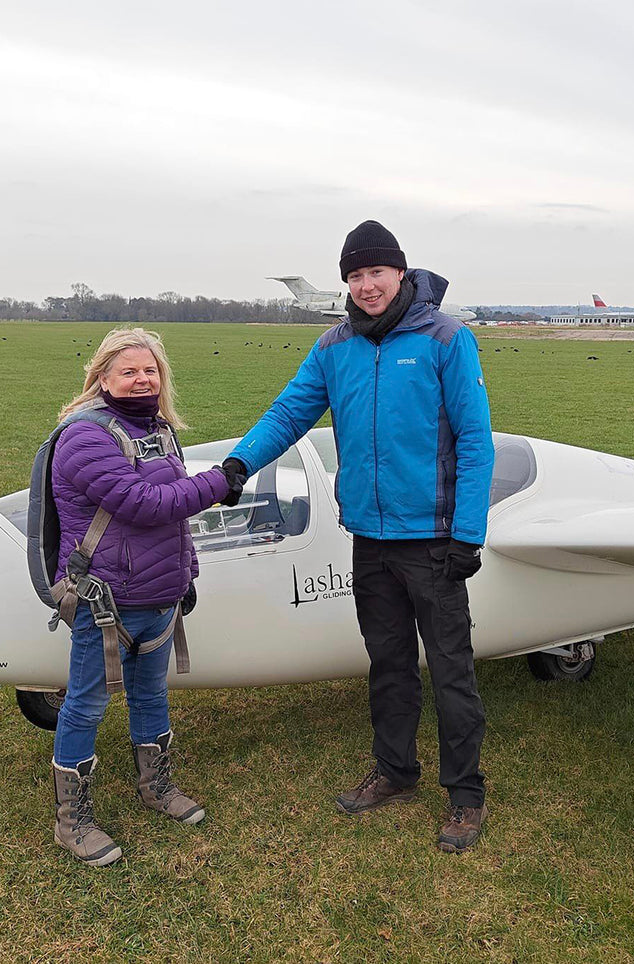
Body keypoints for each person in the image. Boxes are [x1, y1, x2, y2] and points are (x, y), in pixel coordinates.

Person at [222, 220, 495, 852]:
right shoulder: (333, 346)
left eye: (377, 272)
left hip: (433, 540)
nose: (367, 286)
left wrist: (468, 534)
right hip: (368, 537)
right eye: (355, 275)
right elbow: (290, 411)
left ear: (400, 273)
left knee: (452, 670)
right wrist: (239, 464)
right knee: (388, 665)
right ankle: (396, 773)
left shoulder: (447, 340)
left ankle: (465, 795)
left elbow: (476, 440)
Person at [49, 326, 238, 867]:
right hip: (104, 600)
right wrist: (221, 482)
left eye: (149, 370)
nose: (140, 380)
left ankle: (155, 787)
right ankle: (72, 821)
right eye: (127, 371)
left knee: (152, 696)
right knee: (86, 704)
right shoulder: (84, 437)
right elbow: (146, 504)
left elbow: (173, 524)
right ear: (102, 376)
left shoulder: (157, 430)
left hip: (159, 593)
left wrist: (188, 574)